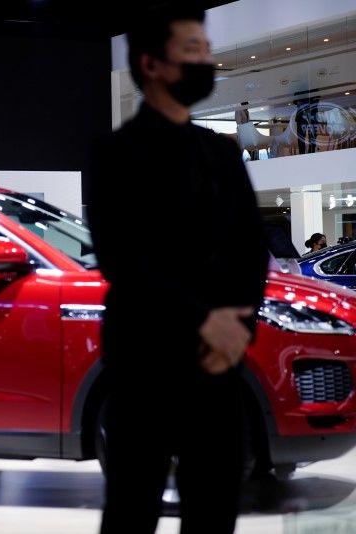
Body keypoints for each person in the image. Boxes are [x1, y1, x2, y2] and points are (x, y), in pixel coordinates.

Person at [86, 3, 269, 533]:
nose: (205, 61)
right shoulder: (113, 153)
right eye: (192, 51)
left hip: (219, 363)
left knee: (215, 506)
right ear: (151, 64)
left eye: (207, 51)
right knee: (132, 505)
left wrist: (238, 326)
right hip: (143, 358)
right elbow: (122, 258)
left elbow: (250, 248)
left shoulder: (220, 152)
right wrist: (201, 320)